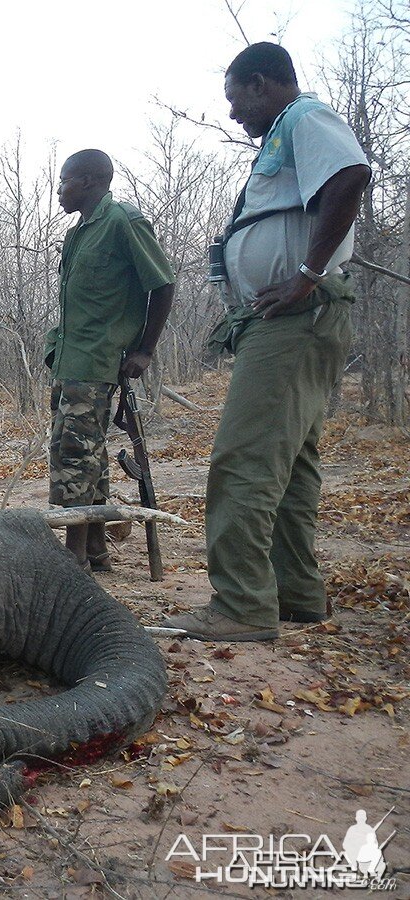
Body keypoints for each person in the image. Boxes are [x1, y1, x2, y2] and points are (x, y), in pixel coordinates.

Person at [163, 42, 370, 641]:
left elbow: (352, 174)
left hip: (295, 321)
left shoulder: (306, 117)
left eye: (235, 99)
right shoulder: (285, 134)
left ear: (260, 83)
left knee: (244, 457)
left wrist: (307, 274)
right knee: (291, 461)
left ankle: (242, 605)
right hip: (286, 323)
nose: (233, 114)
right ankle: (295, 593)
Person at [46, 149, 176, 571]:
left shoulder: (122, 221)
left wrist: (145, 350)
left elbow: (162, 283)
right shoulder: (77, 233)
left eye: (63, 180)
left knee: (75, 457)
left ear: (87, 180)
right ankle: (97, 550)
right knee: (89, 456)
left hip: (99, 360)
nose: (59, 190)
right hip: (71, 360)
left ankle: (75, 559)